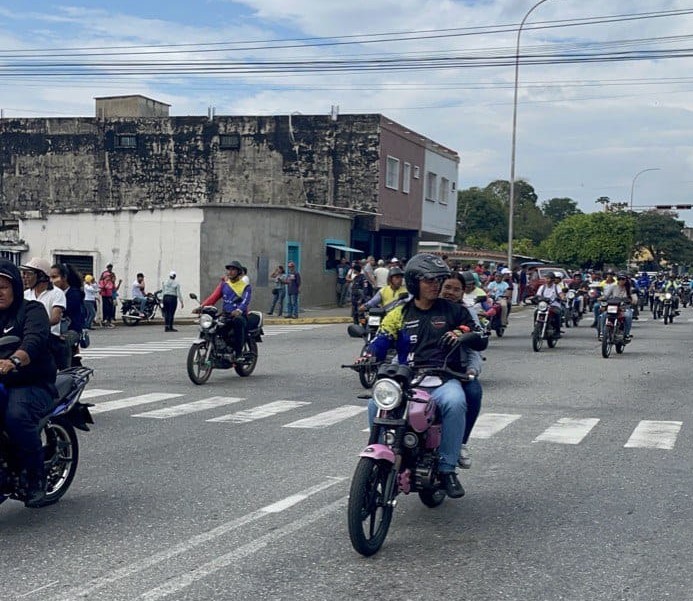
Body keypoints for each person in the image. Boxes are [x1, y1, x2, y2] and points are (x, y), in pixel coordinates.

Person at [361, 254, 488, 498]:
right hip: (407, 380)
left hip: (443, 379)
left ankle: (448, 467)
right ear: (414, 281)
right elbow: (383, 337)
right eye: (429, 280)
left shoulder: (455, 311)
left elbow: (479, 337)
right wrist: (367, 354)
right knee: (373, 405)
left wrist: (465, 335)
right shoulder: (400, 312)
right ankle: (380, 459)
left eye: (438, 280)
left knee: (455, 401)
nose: (435, 285)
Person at [0, 259, 57, 507]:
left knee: (15, 416)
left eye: (2, 287)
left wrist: (15, 359)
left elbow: (34, 339)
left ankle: (36, 479)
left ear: (14, 285)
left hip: (30, 382)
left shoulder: (32, 310)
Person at [439, 273, 484, 470]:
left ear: (462, 292)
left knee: (473, 392)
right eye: (447, 287)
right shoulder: (423, 307)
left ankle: (460, 442)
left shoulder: (466, 313)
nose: (450, 292)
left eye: (456, 289)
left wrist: (472, 370)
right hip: (422, 369)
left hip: (456, 370)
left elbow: (476, 344)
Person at [21, 258, 67, 368]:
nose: (25, 277)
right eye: (24, 274)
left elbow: (55, 318)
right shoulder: (25, 294)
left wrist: (36, 326)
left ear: (41, 276)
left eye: (29, 274)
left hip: (48, 338)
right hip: (26, 336)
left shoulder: (57, 293)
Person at [198, 261, 251, 357]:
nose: (230, 272)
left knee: (238, 322)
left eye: (233, 270)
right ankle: (215, 348)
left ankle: (238, 353)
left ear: (238, 272)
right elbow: (213, 297)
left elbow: (245, 300)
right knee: (213, 326)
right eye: (229, 269)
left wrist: (239, 310)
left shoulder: (245, 286)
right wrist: (201, 307)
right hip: (226, 314)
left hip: (239, 315)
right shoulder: (224, 284)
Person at [50, 263, 84, 369]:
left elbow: (62, 312)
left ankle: (66, 370)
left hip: (72, 331)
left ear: (64, 277)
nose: (51, 280)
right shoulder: (52, 293)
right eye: (49, 277)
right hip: (55, 330)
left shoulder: (74, 293)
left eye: (54, 277)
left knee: (62, 343)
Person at [600, 273, 634, 341]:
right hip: (613, 307)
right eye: (619, 279)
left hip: (624, 308)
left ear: (626, 280)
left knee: (628, 316)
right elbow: (606, 296)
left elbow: (634, 299)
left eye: (623, 279)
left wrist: (631, 300)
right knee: (603, 315)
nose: (621, 281)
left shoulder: (629, 288)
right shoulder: (613, 287)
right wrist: (601, 299)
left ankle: (627, 334)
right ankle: (602, 333)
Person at [536, 272, 565, 336]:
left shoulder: (557, 287)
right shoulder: (542, 287)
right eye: (546, 278)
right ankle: (536, 329)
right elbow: (538, 295)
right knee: (536, 312)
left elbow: (561, 294)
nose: (546, 280)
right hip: (544, 306)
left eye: (548, 278)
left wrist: (562, 297)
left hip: (554, 305)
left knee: (557, 313)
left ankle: (557, 331)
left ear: (552, 279)